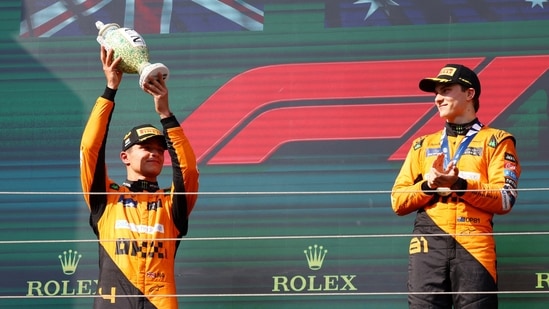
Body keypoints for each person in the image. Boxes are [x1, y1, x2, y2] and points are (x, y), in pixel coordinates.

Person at [390, 64, 520, 308]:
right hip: (428, 246)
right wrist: (428, 185)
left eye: (446, 90)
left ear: (469, 94)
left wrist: (459, 184)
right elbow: (397, 201)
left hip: (474, 245)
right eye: (437, 92)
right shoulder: (421, 145)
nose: (438, 98)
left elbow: (505, 199)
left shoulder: (497, 141)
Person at [80, 46, 199, 308]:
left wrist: (165, 115)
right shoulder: (107, 198)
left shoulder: (172, 204)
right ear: (125, 157)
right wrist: (110, 89)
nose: (155, 154)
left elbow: (188, 170)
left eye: (159, 150)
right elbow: (90, 149)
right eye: (146, 148)